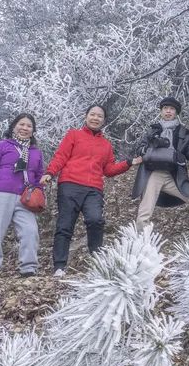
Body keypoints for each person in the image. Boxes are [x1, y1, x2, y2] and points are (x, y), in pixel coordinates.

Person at [41, 104, 140, 276]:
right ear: (86, 117)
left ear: (104, 120)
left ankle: (98, 264)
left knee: (95, 221)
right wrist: (50, 172)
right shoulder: (74, 135)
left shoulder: (106, 145)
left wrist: (129, 163)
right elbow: (61, 155)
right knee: (65, 226)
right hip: (69, 185)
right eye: (92, 114)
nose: (95, 118)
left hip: (94, 188)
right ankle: (59, 267)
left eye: (99, 116)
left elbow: (108, 170)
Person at [131, 97, 189, 229]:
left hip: (175, 175)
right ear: (161, 111)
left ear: (176, 112)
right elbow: (139, 150)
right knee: (145, 209)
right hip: (153, 173)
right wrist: (152, 145)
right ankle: (141, 242)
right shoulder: (152, 130)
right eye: (165, 108)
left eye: (171, 109)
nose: (168, 111)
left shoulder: (183, 132)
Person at [0, 113, 45, 278]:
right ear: (14, 126)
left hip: (25, 198)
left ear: (33, 130)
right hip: (1, 194)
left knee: (30, 231)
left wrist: (39, 192)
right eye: (21, 124)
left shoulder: (36, 152)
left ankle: (29, 268)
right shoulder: (2, 145)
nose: (25, 128)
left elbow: (39, 175)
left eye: (29, 126)